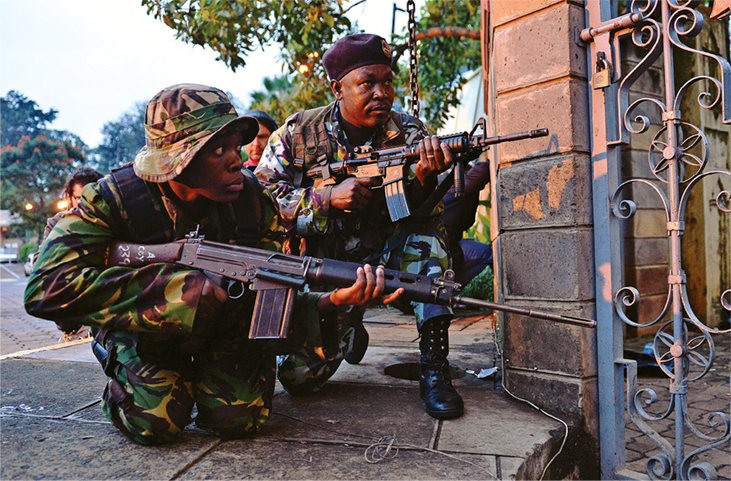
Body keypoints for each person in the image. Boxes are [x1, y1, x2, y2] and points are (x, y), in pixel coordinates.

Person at [24, 84, 401, 446]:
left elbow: (268, 304)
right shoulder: (114, 199)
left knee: (239, 419)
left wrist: (331, 302)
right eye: (219, 150)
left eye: (236, 146)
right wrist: (173, 294)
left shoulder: (254, 201)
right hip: (142, 330)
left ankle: (196, 374)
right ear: (177, 161)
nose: (238, 159)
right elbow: (46, 288)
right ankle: (122, 361)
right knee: (155, 421)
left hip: (224, 324)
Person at [254, 33, 466, 419]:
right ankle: (351, 328)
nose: (382, 93)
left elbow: (421, 211)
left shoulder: (409, 132)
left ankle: (435, 367)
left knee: (427, 242)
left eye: (387, 81)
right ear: (338, 88)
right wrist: (326, 199)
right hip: (328, 269)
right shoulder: (297, 133)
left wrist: (423, 176)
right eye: (367, 83)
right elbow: (260, 198)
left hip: (388, 253)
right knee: (299, 380)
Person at [39, 167, 104, 342]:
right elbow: (41, 264)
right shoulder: (57, 223)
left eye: (93, 198)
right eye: (80, 198)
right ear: (69, 197)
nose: (87, 204)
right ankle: (78, 331)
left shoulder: (111, 219)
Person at [441, 160, 493, 287]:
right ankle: (451, 290)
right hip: (443, 251)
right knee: (485, 253)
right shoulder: (454, 185)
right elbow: (482, 170)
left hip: (438, 249)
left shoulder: (441, 181)